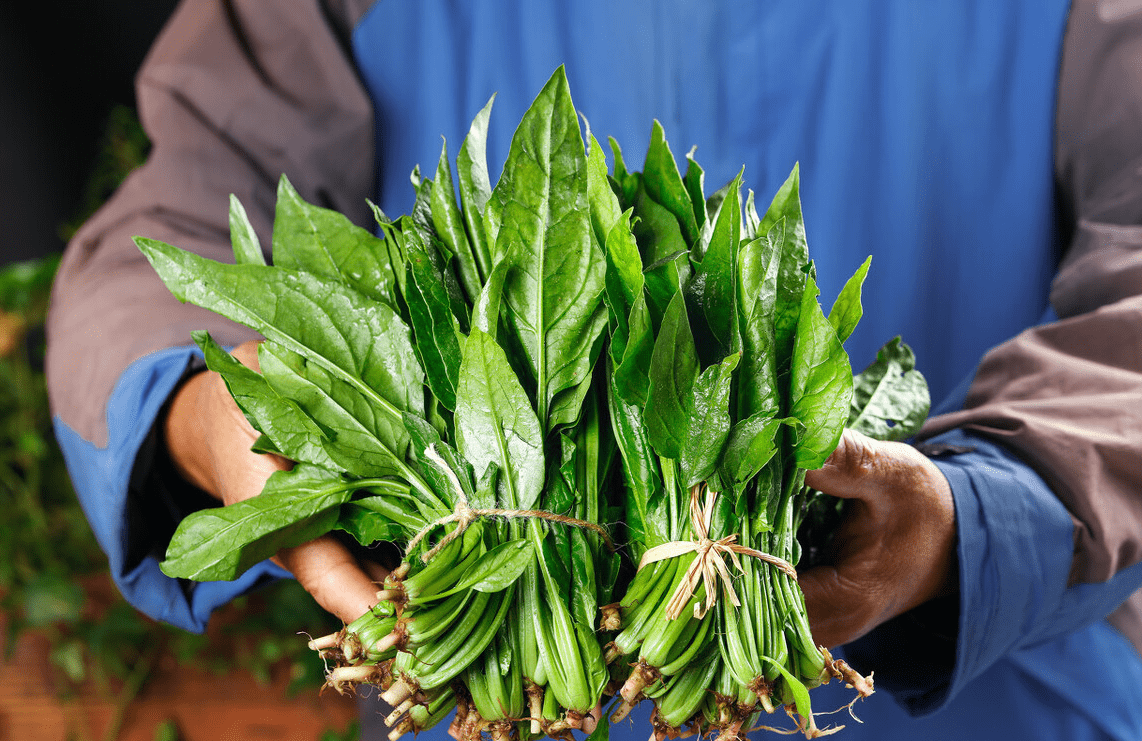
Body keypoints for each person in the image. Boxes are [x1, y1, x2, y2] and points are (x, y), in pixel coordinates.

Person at [46, 1, 1142, 739]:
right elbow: (180, 223)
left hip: (1000, 689)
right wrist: (219, 419)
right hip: (501, 691)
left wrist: (979, 512)